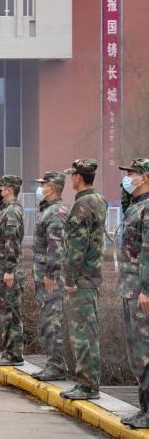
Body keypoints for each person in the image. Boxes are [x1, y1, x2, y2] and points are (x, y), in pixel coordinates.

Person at [61, 159, 108, 401]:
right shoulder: (98, 200)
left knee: (82, 335)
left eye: (72, 175)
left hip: (81, 280)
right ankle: (87, 383)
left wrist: (70, 279)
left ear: (79, 177)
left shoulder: (83, 204)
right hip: (90, 277)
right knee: (87, 332)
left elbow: (76, 247)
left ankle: (88, 386)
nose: (71, 178)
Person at [118, 158, 149, 427]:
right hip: (130, 288)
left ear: (145, 177)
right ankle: (143, 408)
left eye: (132, 173)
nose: (127, 178)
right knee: (136, 354)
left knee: (145, 351)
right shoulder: (136, 206)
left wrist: (146, 290)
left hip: (141, 291)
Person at [31, 171, 69, 382]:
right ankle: (52, 363)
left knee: (52, 321)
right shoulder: (48, 210)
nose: (40, 188)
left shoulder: (56, 212)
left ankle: (56, 366)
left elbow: (56, 246)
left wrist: (50, 274)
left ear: (52, 188)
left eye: (43, 184)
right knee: (47, 321)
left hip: (50, 279)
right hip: (45, 276)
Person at [0, 175, 25, 366]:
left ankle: (14, 355)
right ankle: (9, 353)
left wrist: (9, 269)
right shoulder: (7, 210)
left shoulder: (12, 212)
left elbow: (11, 242)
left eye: (1, 188)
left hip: (9, 272)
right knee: (6, 313)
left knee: (11, 314)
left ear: (9, 190)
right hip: (3, 270)